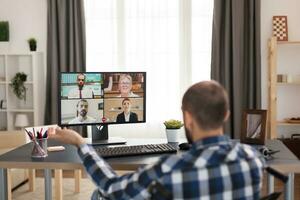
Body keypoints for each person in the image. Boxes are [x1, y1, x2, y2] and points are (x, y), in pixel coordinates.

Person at [49, 81, 265, 199]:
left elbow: (113, 188)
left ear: (187, 117)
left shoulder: (170, 169)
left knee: (98, 195)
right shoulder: (253, 160)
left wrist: (80, 142)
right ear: (226, 114)